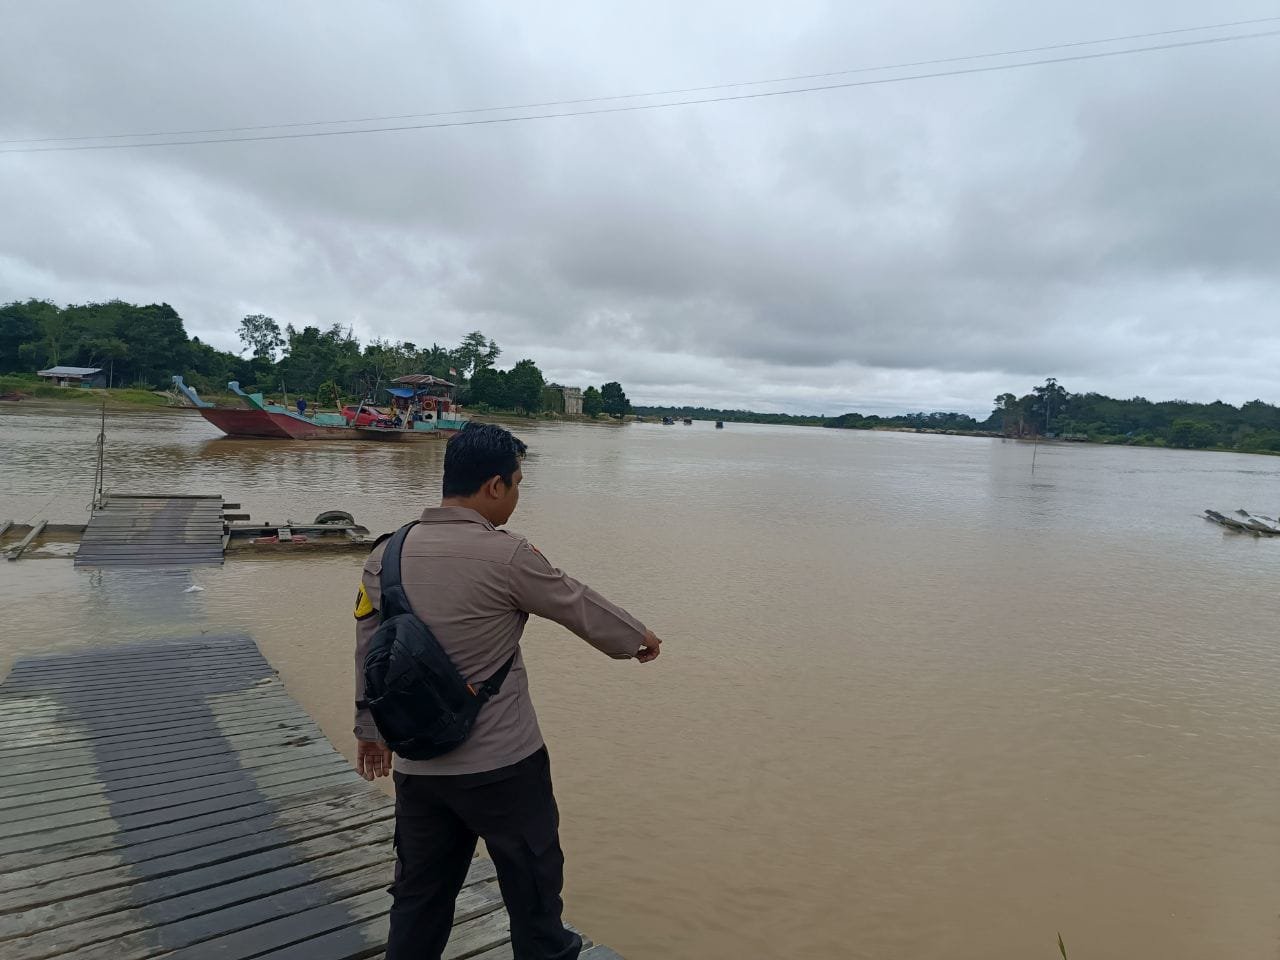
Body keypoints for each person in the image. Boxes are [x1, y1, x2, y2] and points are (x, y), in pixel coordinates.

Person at [353, 422, 662, 960]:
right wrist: (638, 639)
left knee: (419, 899)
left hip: (418, 767)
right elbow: (575, 603)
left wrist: (370, 731)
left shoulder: (385, 554)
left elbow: (368, 649)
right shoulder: (507, 554)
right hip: (504, 768)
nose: (517, 495)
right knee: (534, 899)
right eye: (517, 484)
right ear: (495, 487)